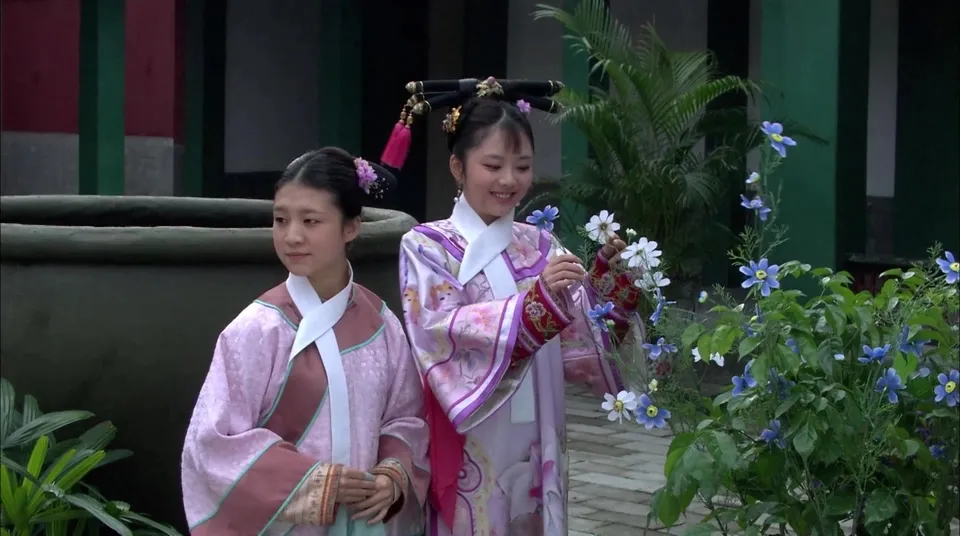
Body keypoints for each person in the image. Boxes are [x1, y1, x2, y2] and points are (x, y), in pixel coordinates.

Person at [385, 78, 642, 535]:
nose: (509, 180)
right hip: (474, 430)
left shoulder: (540, 244)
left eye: (522, 166)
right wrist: (535, 305)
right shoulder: (426, 246)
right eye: (493, 165)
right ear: (458, 167)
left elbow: (579, 342)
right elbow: (439, 329)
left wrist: (608, 286)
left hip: (539, 425)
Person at [181, 147, 429, 536]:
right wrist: (316, 482)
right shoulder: (256, 329)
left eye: (311, 221)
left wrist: (392, 476)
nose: (292, 236)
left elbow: (407, 416)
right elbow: (213, 443)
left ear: (351, 227)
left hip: (364, 522)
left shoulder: (381, 324)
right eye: (281, 220)